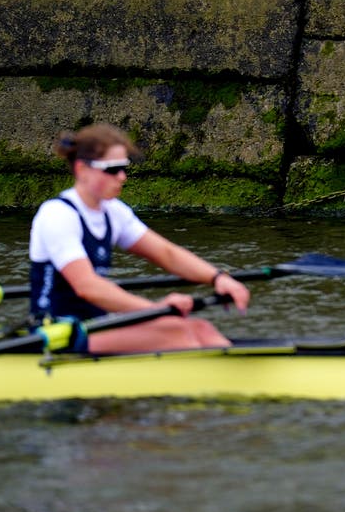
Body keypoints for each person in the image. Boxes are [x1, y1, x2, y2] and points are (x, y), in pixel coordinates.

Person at [29, 123, 249, 353]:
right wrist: (154, 310)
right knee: (177, 333)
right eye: (112, 169)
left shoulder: (113, 212)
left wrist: (218, 278)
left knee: (200, 328)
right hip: (56, 332)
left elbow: (167, 254)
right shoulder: (58, 215)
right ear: (82, 169)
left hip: (96, 323)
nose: (122, 177)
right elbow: (88, 287)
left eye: (124, 168)